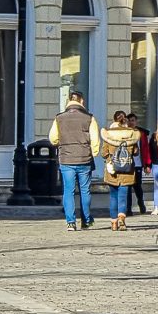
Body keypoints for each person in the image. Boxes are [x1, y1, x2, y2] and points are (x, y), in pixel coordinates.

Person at [49, 91, 101, 231]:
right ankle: (86, 220)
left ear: (68, 101)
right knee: (85, 191)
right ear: (82, 101)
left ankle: (70, 222)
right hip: (84, 158)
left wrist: (64, 142)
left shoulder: (59, 118)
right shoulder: (89, 118)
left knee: (68, 191)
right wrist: (93, 152)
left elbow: (53, 138)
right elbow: (95, 140)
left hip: (66, 158)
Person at [100, 114, 140, 231]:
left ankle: (113, 223)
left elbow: (103, 153)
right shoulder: (131, 135)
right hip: (127, 170)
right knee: (123, 196)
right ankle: (122, 217)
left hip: (112, 170)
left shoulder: (109, 135)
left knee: (113, 197)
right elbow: (136, 152)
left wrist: (109, 158)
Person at [126, 112, 151, 215]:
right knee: (127, 188)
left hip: (138, 164)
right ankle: (128, 209)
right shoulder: (125, 132)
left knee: (137, 186)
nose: (131, 123)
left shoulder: (141, 133)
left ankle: (141, 203)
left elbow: (145, 149)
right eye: (129, 121)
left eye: (133, 120)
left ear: (136, 121)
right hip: (127, 164)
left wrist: (147, 164)